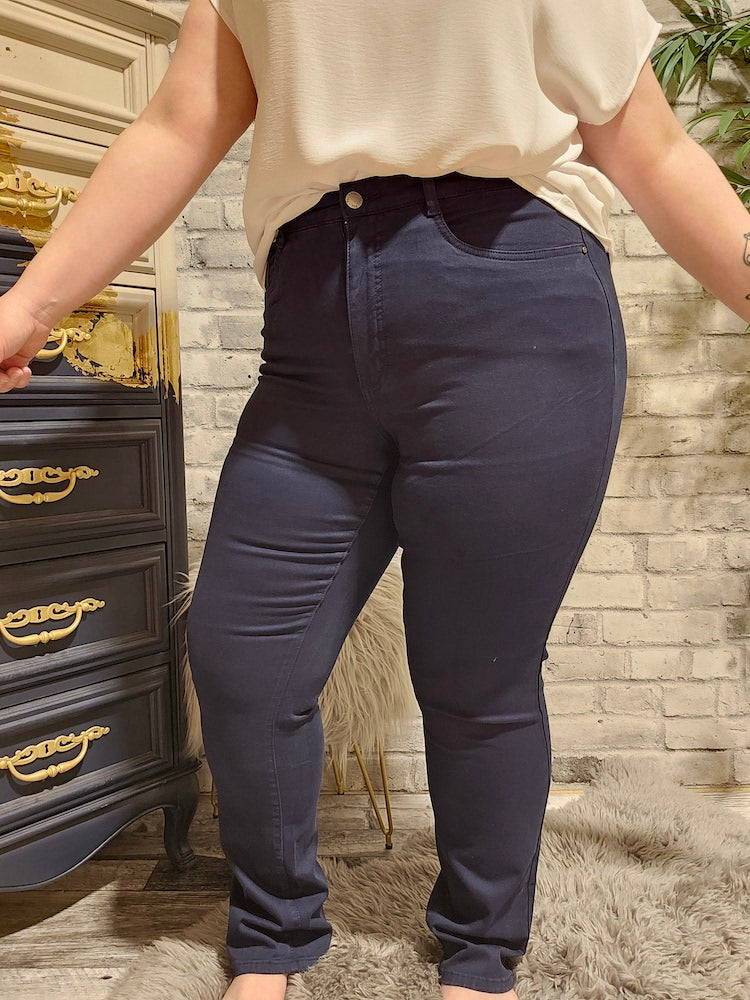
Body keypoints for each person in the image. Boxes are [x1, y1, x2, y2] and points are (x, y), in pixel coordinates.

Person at [1, 1, 749, 998]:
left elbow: (647, 145)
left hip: (516, 308)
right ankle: (274, 937)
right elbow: (181, 123)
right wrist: (29, 305)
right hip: (311, 321)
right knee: (240, 655)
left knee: (477, 675)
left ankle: (479, 957)